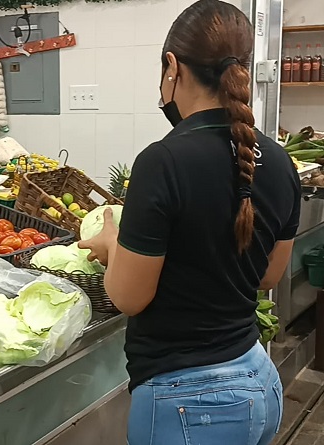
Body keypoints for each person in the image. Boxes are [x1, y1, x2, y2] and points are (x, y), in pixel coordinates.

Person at [78, 1, 301, 444]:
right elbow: (267, 276)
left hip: (191, 404)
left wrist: (111, 245)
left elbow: (128, 296)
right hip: (258, 380)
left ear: (171, 67)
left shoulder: (162, 161)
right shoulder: (278, 160)